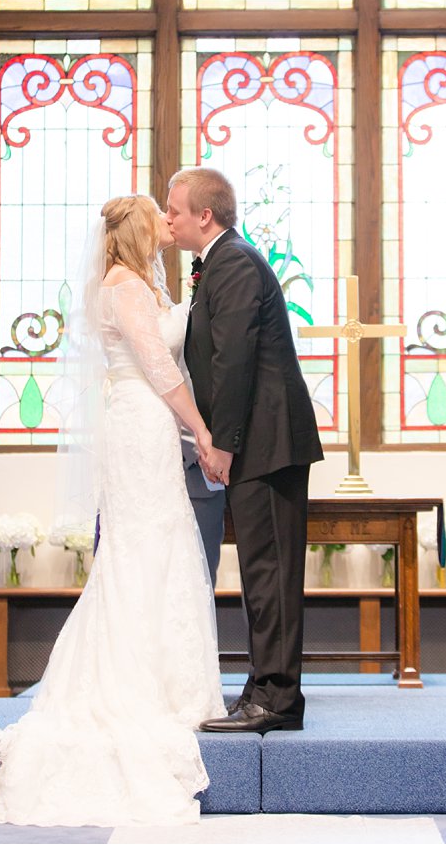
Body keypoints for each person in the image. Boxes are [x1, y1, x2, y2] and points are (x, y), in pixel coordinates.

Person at [0, 195, 223, 826]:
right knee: (144, 545)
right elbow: (158, 369)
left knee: (156, 543)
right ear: (138, 231)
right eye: (158, 219)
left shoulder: (133, 282)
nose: (166, 226)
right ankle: (145, 684)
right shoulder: (124, 288)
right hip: (144, 422)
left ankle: (171, 680)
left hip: (143, 423)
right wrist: (199, 429)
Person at [166, 168, 324, 735]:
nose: (169, 219)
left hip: (265, 443)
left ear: (204, 215)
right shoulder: (222, 260)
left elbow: (233, 362)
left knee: (271, 573)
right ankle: (263, 688)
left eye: (175, 209)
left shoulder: (232, 260)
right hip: (259, 441)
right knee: (261, 572)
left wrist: (223, 445)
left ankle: (278, 701)